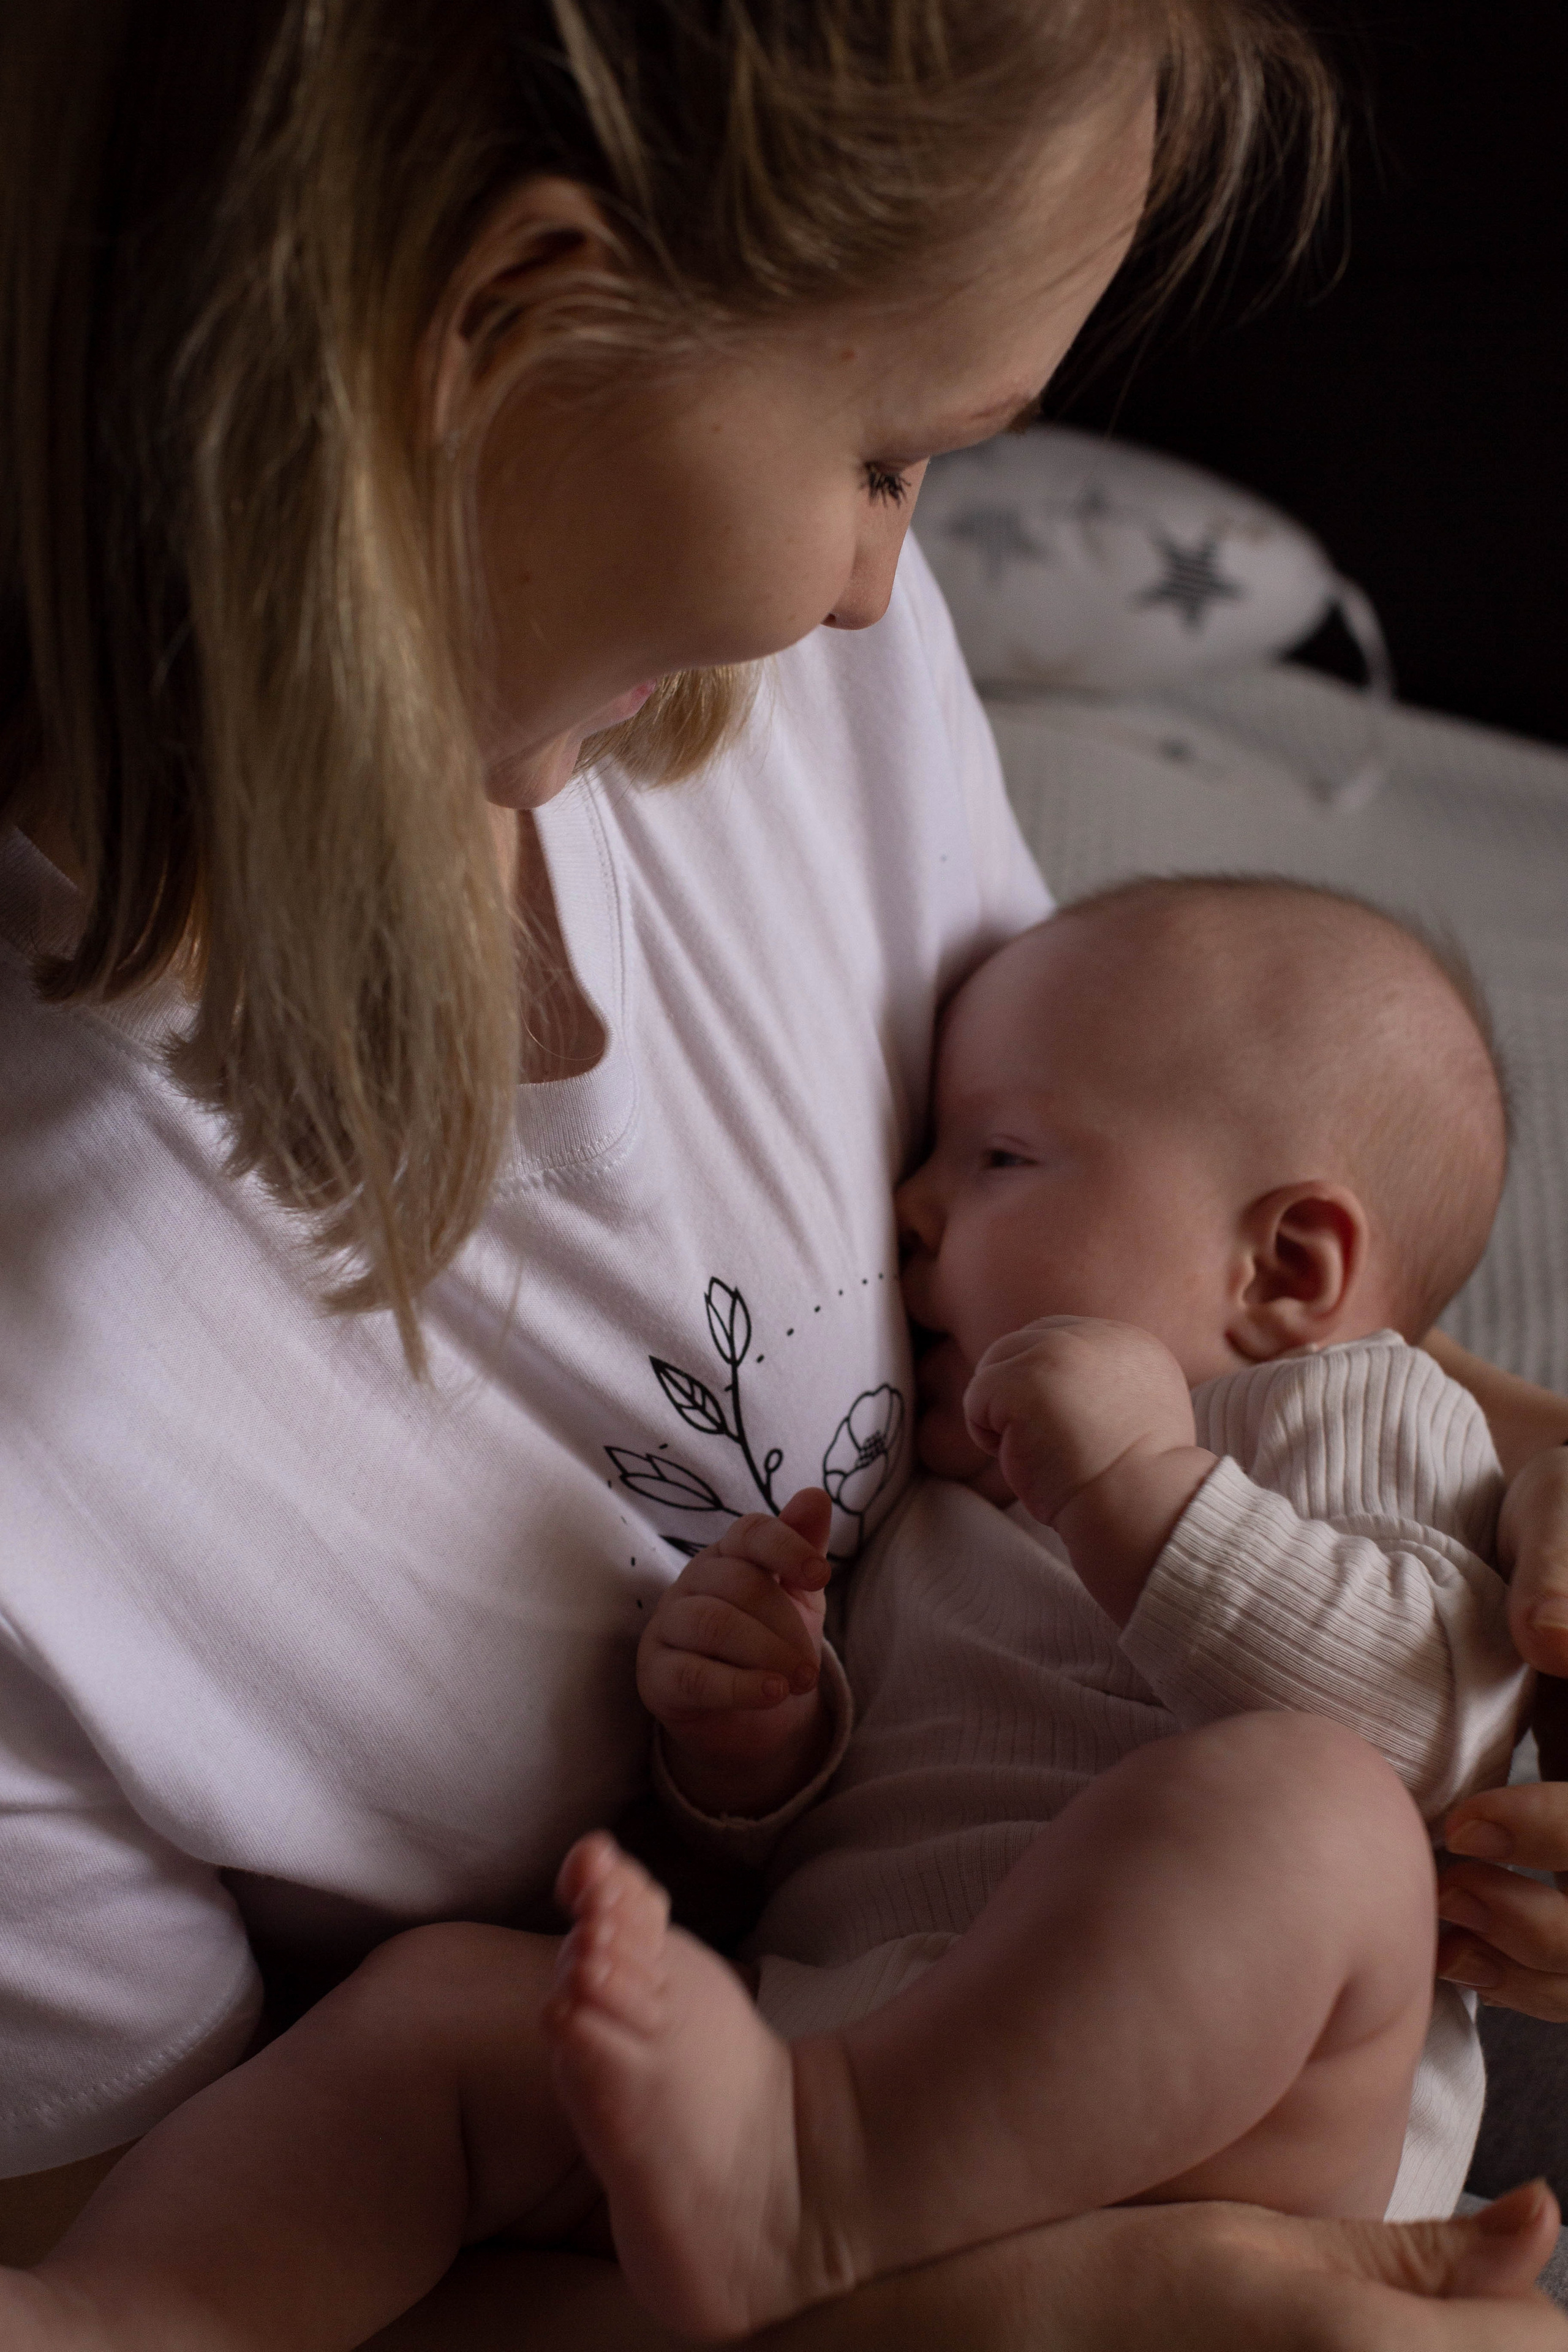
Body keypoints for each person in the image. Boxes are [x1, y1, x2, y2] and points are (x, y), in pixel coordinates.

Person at [5, 6, 1568, 2348]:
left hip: (1192, 2095)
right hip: (704, 2184)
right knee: (432, 2014)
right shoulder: (55, 1409)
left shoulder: (784, 706)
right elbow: (200, 2221)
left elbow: (1238, 1264)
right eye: (889, 453)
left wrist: (1532, 1489)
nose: (876, 585)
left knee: (1312, 1835)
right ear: (496, 326)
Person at [0, 874, 1550, 2350]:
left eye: (1001, 1160)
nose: (913, 1211)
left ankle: (815, 2175)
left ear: (1286, 1263)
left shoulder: (1357, 1412)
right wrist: (759, 1753)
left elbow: (1417, 1725)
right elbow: (843, 1832)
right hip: (814, 2043)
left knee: (1316, 1820)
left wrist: (1146, 1485)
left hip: (1222, 2134)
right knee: (446, 2016)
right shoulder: (935, 1505)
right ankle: (127, 2315)